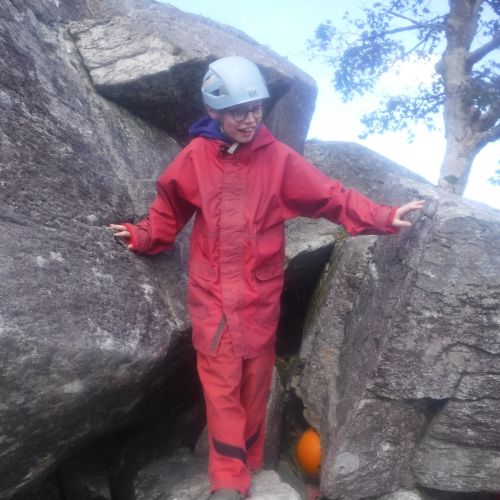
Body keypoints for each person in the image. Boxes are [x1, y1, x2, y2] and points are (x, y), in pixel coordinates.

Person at [110, 56, 425, 500]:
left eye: (256, 107)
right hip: (213, 296)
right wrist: (144, 236)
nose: (250, 118)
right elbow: (169, 209)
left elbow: (330, 196)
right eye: (238, 111)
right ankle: (227, 479)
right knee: (221, 389)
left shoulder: (277, 160)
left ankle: (252, 459)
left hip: (259, 297)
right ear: (214, 112)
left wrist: (384, 216)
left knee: (255, 386)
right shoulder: (196, 157)